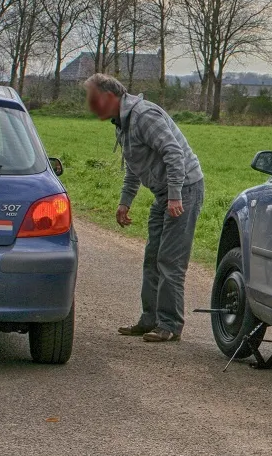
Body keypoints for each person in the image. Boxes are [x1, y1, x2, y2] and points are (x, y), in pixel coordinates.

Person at [84, 73, 204, 342]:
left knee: (169, 261)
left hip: (184, 189)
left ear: (109, 97)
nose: (90, 107)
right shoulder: (122, 122)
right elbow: (134, 164)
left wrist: (175, 196)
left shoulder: (144, 116)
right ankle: (150, 320)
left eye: (93, 100)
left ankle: (170, 325)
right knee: (152, 257)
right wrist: (125, 202)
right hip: (165, 193)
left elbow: (174, 154)